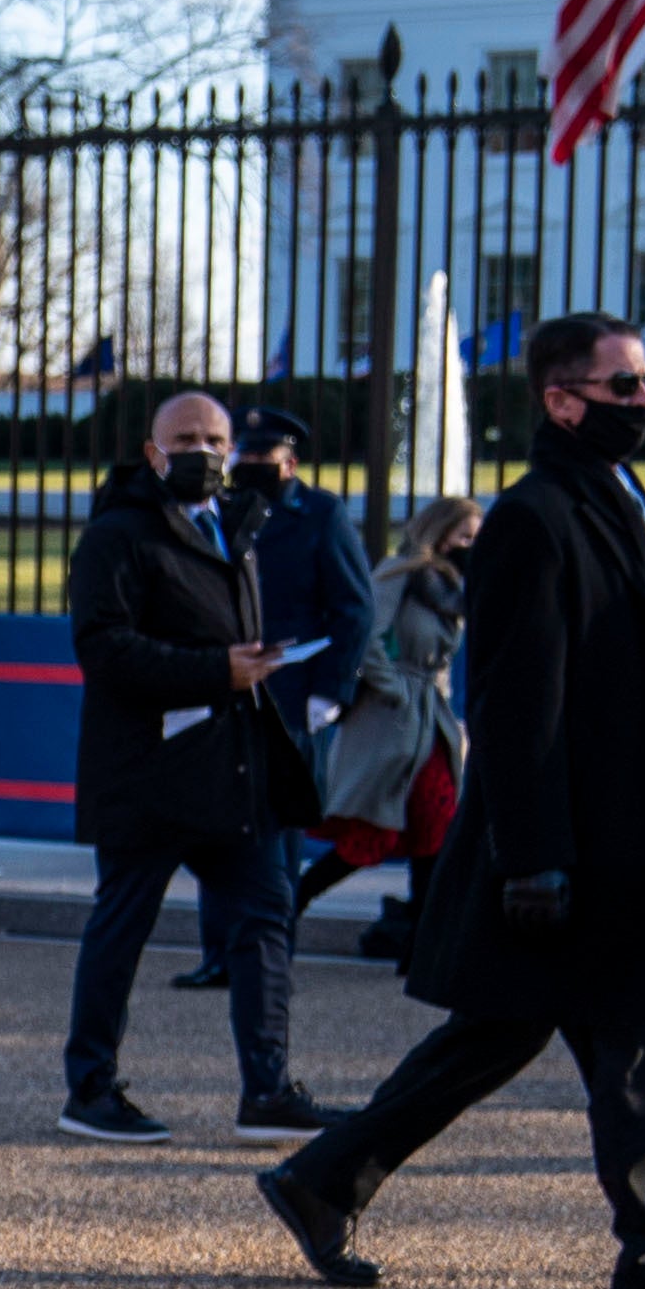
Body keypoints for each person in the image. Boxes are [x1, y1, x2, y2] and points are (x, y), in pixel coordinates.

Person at [253, 317, 645, 1289]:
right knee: (635, 1051)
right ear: (560, 399)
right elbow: (511, 697)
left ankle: (324, 1181)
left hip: (628, 836)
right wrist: (536, 857)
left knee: (494, 1038)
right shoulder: (538, 515)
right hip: (581, 848)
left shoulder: (611, 495)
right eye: (621, 383)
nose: (644, 399)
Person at [56, 390, 334, 1150]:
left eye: (215, 438)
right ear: (152, 451)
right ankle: (89, 1090)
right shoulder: (116, 537)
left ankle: (267, 1090)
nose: (204, 451)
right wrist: (218, 670)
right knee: (123, 926)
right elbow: (104, 650)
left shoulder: (233, 526)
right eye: (185, 437)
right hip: (147, 770)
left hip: (226, 770)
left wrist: (242, 669)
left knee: (264, 917)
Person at [182, 409, 375, 975]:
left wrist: (331, 690)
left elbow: (353, 607)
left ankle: (268, 956)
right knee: (217, 825)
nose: (246, 466)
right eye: (241, 456)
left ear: (289, 463)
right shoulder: (223, 508)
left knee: (276, 835)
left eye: (260, 458)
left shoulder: (320, 514)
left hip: (291, 695)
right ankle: (218, 954)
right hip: (224, 686)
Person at [316, 495, 482, 954]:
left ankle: (423, 936)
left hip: (428, 714)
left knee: (436, 816)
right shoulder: (402, 573)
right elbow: (366, 634)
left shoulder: (453, 588)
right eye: (464, 536)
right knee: (373, 827)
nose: (471, 545)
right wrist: (391, 685)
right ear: (440, 531)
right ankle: (291, 904)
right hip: (393, 715)